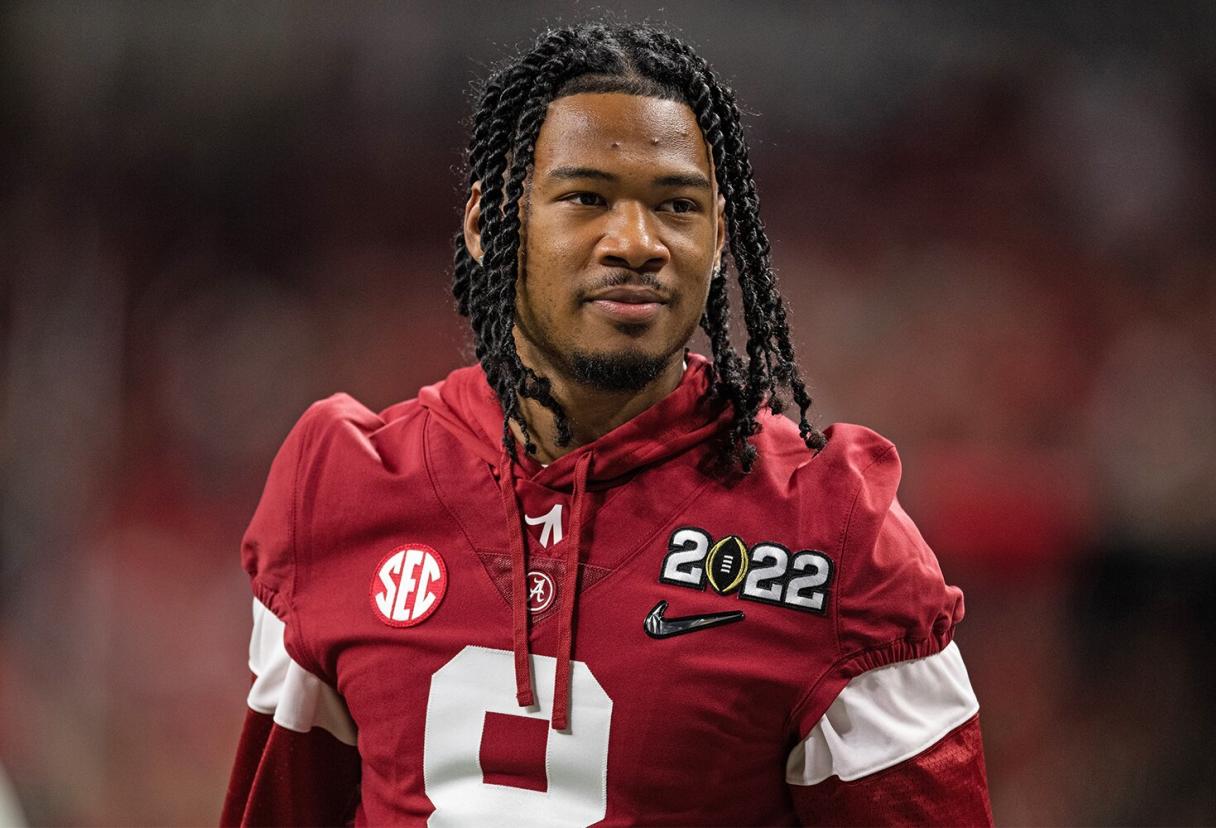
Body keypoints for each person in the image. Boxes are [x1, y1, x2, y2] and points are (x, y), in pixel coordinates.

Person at [221, 22, 992, 826]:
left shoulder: (835, 532)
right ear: (490, 227)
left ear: (720, 237)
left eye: (678, 206)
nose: (636, 242)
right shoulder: (341, 486)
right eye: (586, 197)